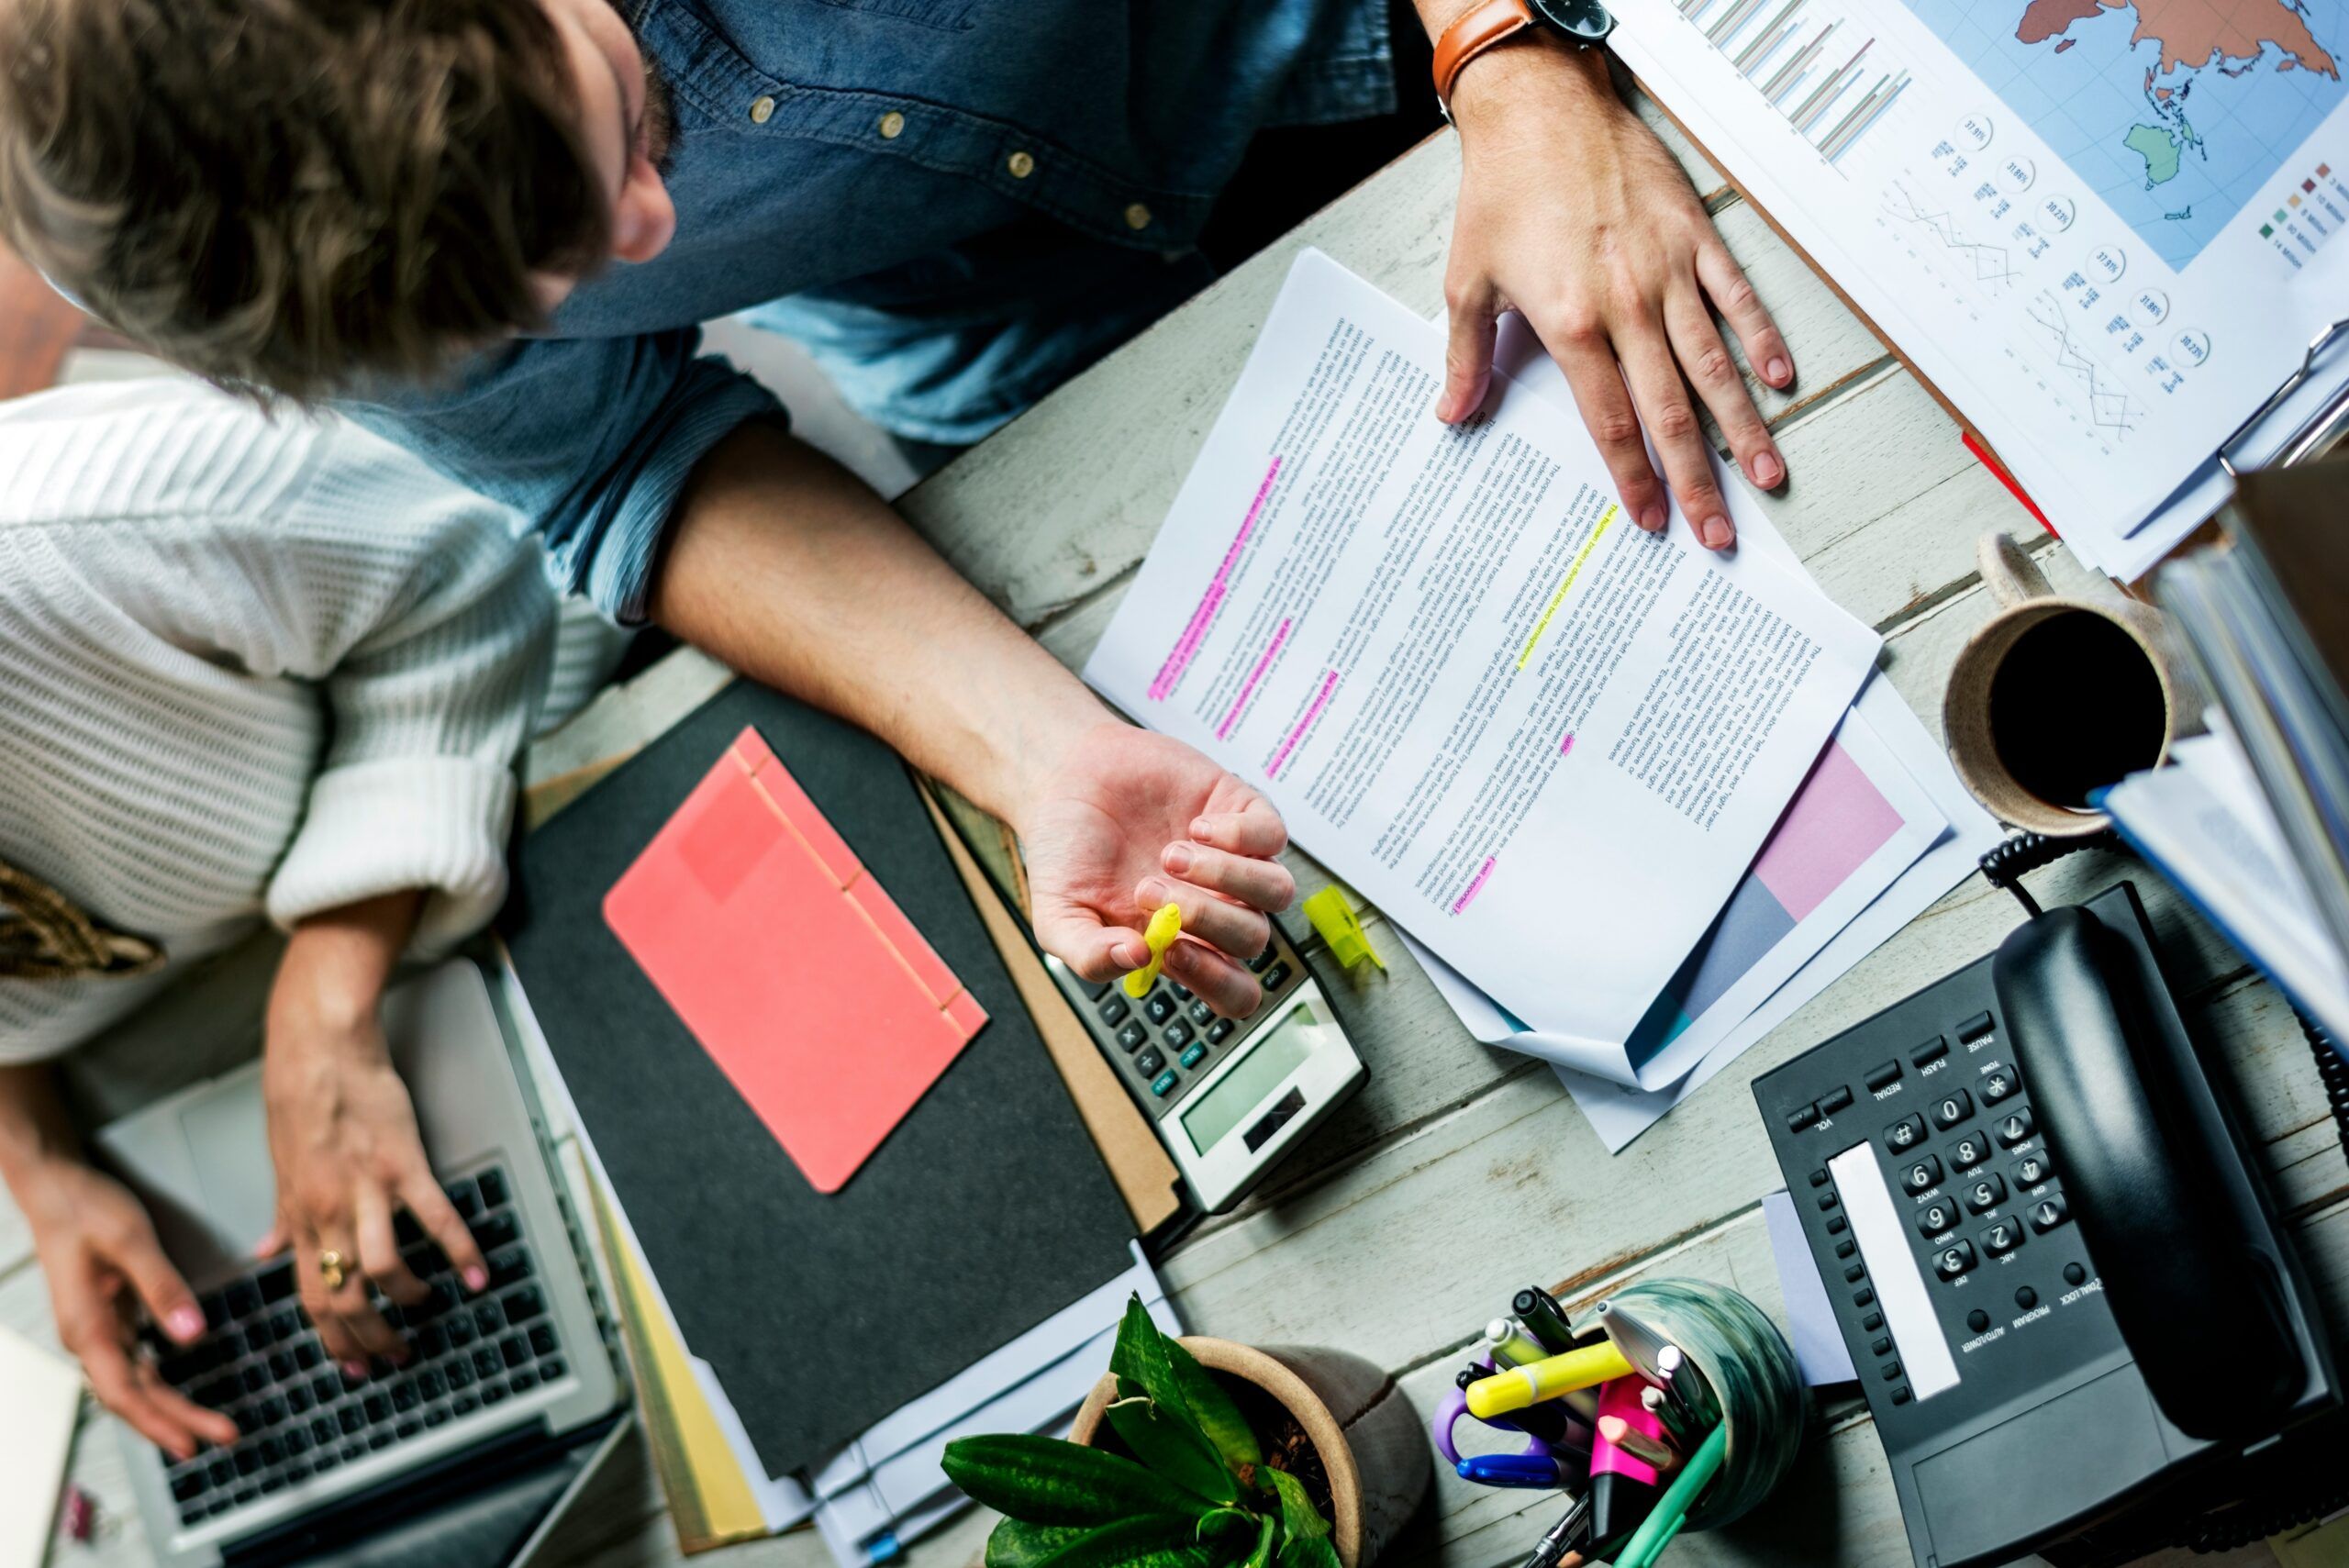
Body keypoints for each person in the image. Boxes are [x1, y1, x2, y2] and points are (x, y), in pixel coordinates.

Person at [0, 0, 1785, 1011]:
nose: (644, 246)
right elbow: (626, 457)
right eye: (545, 284)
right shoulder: (294, 253)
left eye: (621, 137)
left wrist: (1510, 56)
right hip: (1037, 344)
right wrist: (1032, 751)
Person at [0, 377, 628, 1461]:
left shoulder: (65, 539)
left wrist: (329, 980)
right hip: (178, 1050)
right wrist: (35, 1155)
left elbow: (488, 534)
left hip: (550, 795)